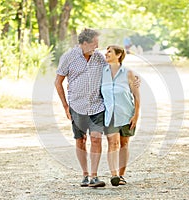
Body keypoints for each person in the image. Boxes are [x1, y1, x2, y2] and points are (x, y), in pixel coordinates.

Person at [54, 28, 107, 187]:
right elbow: (58, 82)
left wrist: (132, 81)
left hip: (97, 106)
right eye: (94, 44)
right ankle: (84, 174)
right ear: (84, 43)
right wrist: (65, 106)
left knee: (96, 139)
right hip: (77, 106)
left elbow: (112, 73)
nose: (96, 47)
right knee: (81, 140)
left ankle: (94, 176)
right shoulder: (69, 57)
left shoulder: (99, 58)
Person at [101, 45, 140, 186]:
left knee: (124, 144)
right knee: (113, 143)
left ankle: (121, 175)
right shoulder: (102, 73)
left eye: (110, 51)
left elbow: (136, 96)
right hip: (109, 115)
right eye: (106, 51)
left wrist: (136, 115)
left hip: (126, 114)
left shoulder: (128, 73)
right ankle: (114, 175)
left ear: (118, 55)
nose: (106, 54)